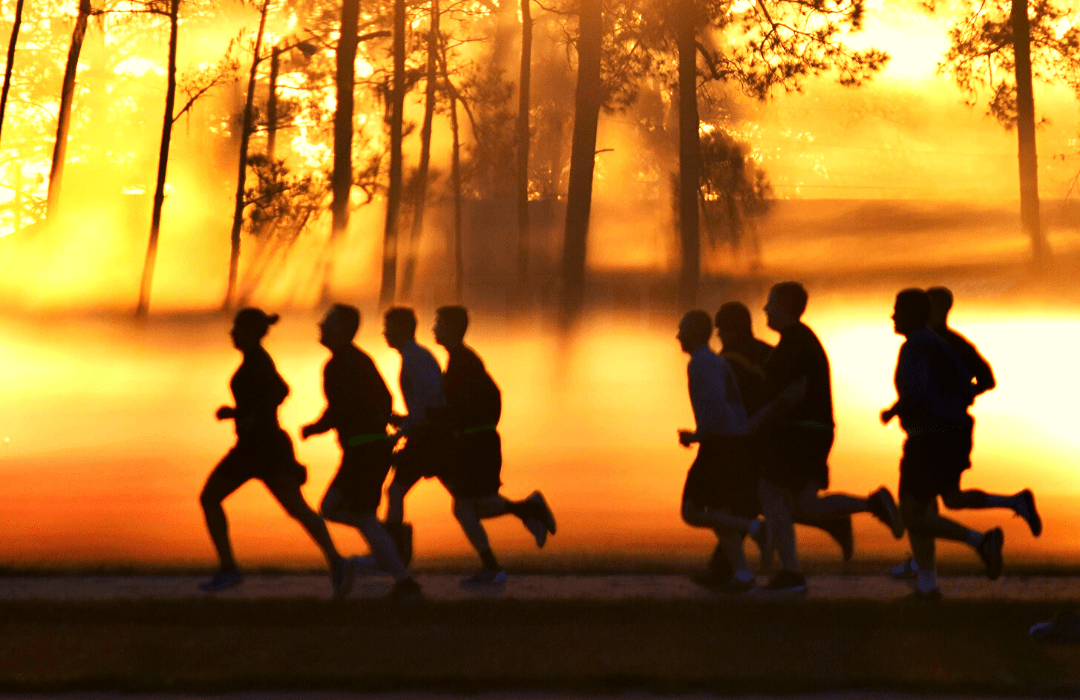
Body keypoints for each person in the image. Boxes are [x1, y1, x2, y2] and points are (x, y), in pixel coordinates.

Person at [753, 282, 904, 594]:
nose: (765, 309)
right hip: (812, 432)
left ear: (785, 306)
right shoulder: (797, 340)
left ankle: (791, 573)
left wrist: (758, 418)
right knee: (801, 505)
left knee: (771, 494)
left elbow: (795, 393)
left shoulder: (796, 342)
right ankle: (871, 504)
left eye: (771, 303)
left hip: (802, 432)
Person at [889, 287, 1039, 580]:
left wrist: (904, 408)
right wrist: (953, 397)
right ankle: (925, 579)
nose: (892, 316)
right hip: (948, 431)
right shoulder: (943, 343)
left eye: (897, 310)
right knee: (941, 502)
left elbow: (922, 391)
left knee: (915, 512)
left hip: (933, 435)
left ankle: (979, 543)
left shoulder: (925, 344)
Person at [199, 308, 350, 596]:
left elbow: (278, 392)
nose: (232, 333)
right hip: (257, 447)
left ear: (250, 333)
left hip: (263, 447)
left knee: (295, 508)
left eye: (237, 329)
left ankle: (337, 562)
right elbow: (275, 393)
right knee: (215, 498)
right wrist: (239, 412)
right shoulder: (256, 360)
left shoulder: (257, 361)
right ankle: (336, 562)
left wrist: (244, 413)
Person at [715, 302, 853, 564]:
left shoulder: (727, 362)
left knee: (753, 499)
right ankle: (830, 524)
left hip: (754, 435)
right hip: (774, 434)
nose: (719, 335)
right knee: (769, 499)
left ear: (731, 331)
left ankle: (730, 566)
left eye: (721, 330)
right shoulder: (771, 352)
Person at [301, 304, 422, 599]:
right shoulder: (357, 360)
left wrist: (317, 427)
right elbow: (382, 398)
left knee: (345, 511)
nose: (320, 326)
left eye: (326, 322)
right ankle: (391, 555)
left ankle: (397, 576)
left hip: (363, 452)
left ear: (340, 330)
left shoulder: (340, 363)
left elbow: (341, 406)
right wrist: (386, 421)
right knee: (338, 509)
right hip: (366, 450)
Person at [432, 306, 556, 585]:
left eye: (438, 323)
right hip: (479, 441)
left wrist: (461, 427)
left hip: (476, 444)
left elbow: (460, 404)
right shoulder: (462, 360)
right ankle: (528, 509)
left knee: (464, 508)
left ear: (452, 329)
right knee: (476, 505)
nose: (434, 328)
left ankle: (493, 567)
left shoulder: (463, 362)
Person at [677, 310, 763, 593]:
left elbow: (714, 405)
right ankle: (742, 575)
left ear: (695, 334)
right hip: (730, 442)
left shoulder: (702, 364)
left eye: (682, 330)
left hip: (720, 444)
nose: (678, 336)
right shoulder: (711, 361)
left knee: (692, 510)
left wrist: (697, 435)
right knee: (718, 513)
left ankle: (755, 528)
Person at [383, 307, 446, 565]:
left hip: (428, 437)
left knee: (395, 491)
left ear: (400, 330)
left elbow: (428, 405)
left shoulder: (415, 359)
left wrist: (399, 433)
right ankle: (394, 553)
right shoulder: (415, 357)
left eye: (388, 328)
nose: (384, 333)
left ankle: (393, 554)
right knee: (468, 499)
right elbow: (422, 406)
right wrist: (400, 421)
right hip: (427, 434)